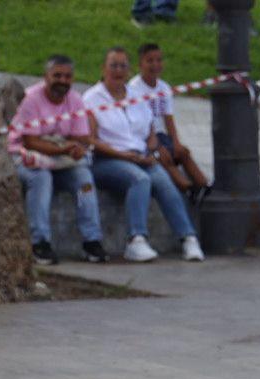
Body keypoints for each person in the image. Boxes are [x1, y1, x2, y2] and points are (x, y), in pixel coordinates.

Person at [85, 46, 205, 263]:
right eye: (113, 65)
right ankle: (136, 239)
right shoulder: (92, 98)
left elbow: (150, 130)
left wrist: (151, 150)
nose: (118, 71)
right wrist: (125, 156)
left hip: (140, 156)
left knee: (164, 181)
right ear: (104, 68)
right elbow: (90, 140)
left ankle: (188, 237)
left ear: (129, 70)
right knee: (139, 179)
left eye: (123, 66)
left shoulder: (135, 96)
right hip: (108, 159)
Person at [7, 55, 108, 266]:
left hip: (60, 159)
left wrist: (77, 149)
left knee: (84, 179)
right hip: (26, 155)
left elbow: (80, 137)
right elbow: (31, 141)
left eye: (68, 76)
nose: (62, 81)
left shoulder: (75, 100)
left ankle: (92, 240)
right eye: (57, 75)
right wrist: (63, 147)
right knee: (41, 179)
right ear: (46, 77)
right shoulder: (31, 99)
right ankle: (40, 243)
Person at [133, 44, 212, 205]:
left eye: (159, 60)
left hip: (161, 135)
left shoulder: (164, 87)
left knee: (183, 153)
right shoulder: (134, 88)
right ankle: (187, 188)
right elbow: (141, 121)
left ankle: (205, 185)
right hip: (145, 136)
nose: (155, 65)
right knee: (164, 158)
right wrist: (155, 146)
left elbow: (168, 117)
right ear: (140, 64)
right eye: (150, 61)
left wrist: (176, 142)